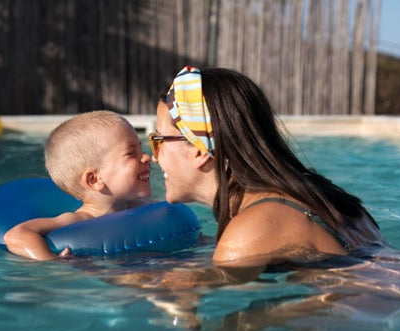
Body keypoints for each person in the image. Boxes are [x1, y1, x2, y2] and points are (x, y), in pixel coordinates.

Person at [149, 66, 384, 269]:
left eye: (158, 141)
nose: (154, 158)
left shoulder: (249, 232)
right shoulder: (325, 195)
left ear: (199, 150)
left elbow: (228, 317)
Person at [4, 110, 152, 260]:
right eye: (131, 153)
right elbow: (16, 235)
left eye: (141, 149)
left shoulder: (143, 207)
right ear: (94, 180)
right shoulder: (79, 221)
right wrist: (52, 261)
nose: (147, 157)